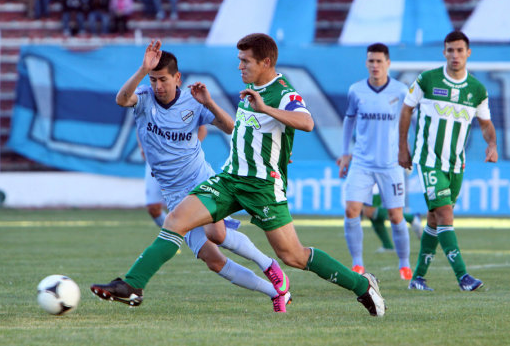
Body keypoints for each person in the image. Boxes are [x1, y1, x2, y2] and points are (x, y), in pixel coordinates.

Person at [92, 33, 386, 317]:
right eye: (239, 60)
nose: (240, 66)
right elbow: (242, 132)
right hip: (230, 179)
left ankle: (362, 286)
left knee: (293, 256)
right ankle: (133, 285)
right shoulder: (250, 93)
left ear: (266, 62)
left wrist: (267, 109)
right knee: (176, 220)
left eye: (245, 61)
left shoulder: (283, 92)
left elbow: (306, 122)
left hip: (262, 188)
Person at [91, 41, 293, 312]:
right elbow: (121, 100)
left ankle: (268, 264)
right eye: (153, 80)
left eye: (163, 79)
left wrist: (209, 103)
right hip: (173, 193)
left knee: (216, 234)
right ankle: (276, 293)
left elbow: (232, 127)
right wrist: (143, 70)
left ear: (178, 78)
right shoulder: (144, 97)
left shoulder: (192, 102)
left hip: (200, 182)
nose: (157, 86)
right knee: (213, 260)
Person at [399, 30, 498, 292]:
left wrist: (492, 144)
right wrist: (403, 148)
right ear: (444, 52)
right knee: (445, 214)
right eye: (450, 50)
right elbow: (407, 109)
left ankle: (417, 278)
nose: (455, 55)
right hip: (428, 160)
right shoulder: (427, 80)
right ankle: (463, 277)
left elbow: (486, 124)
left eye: (459, 50)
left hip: (456, 164)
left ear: (468, 53)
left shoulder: (476, 90)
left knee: (434, 219)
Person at [337, 43, 412, 280]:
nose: (375, 65)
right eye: (371, 61)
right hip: (362, 162)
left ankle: (404, 264)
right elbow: (349, 121)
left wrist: (406, 150)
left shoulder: (401, 91)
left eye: (379, 61)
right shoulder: (356, 90)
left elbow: (411, 122)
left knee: (395, 215)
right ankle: (358, 264)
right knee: (352, 210)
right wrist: (345, 152)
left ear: (388, 63)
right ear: (366, 63)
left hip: (391, 164)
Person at [363, 185, 423, 254]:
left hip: (375, 185)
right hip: (370, 184)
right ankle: (387, 245)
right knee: (372, 216)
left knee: (370, 211)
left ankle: (412, 218)